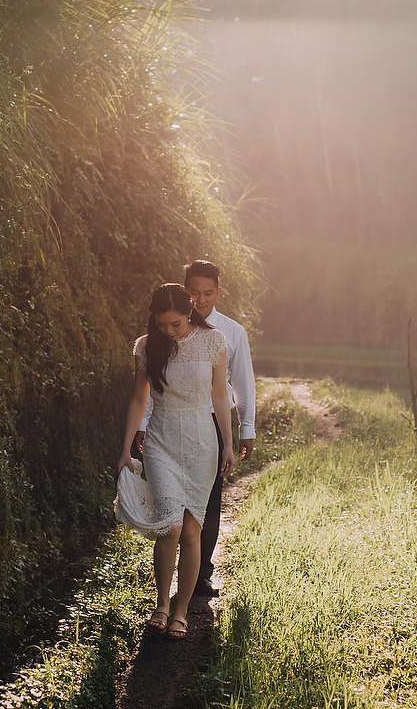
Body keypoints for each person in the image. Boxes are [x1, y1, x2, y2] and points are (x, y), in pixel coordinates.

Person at [117, 283, 236, 640]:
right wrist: (125, 449)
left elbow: (219, 396)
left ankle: (182, 609)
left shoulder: (214, 342)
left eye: (175, 324)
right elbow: (139, 399)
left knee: (191, 530)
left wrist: (227, 444)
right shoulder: (146, 346)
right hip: (160, 442)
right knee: (168, 526)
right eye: (161, 324)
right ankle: (161, 604)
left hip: (202, 444)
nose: (168, 331)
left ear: (190, 313)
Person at [132, 260, 255, 596]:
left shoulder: (228, 333)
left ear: (218, 292)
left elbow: (236, 387)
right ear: (185, 293)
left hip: (211, 427)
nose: (201, 300)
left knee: (203, 512)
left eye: (208, 293)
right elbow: (148, 393)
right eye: (194, 293)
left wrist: (244, 431)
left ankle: (200, 576)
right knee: (171, 520)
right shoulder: (155, 339)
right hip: (165, 431)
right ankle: (166, 598)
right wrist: (139, 430)